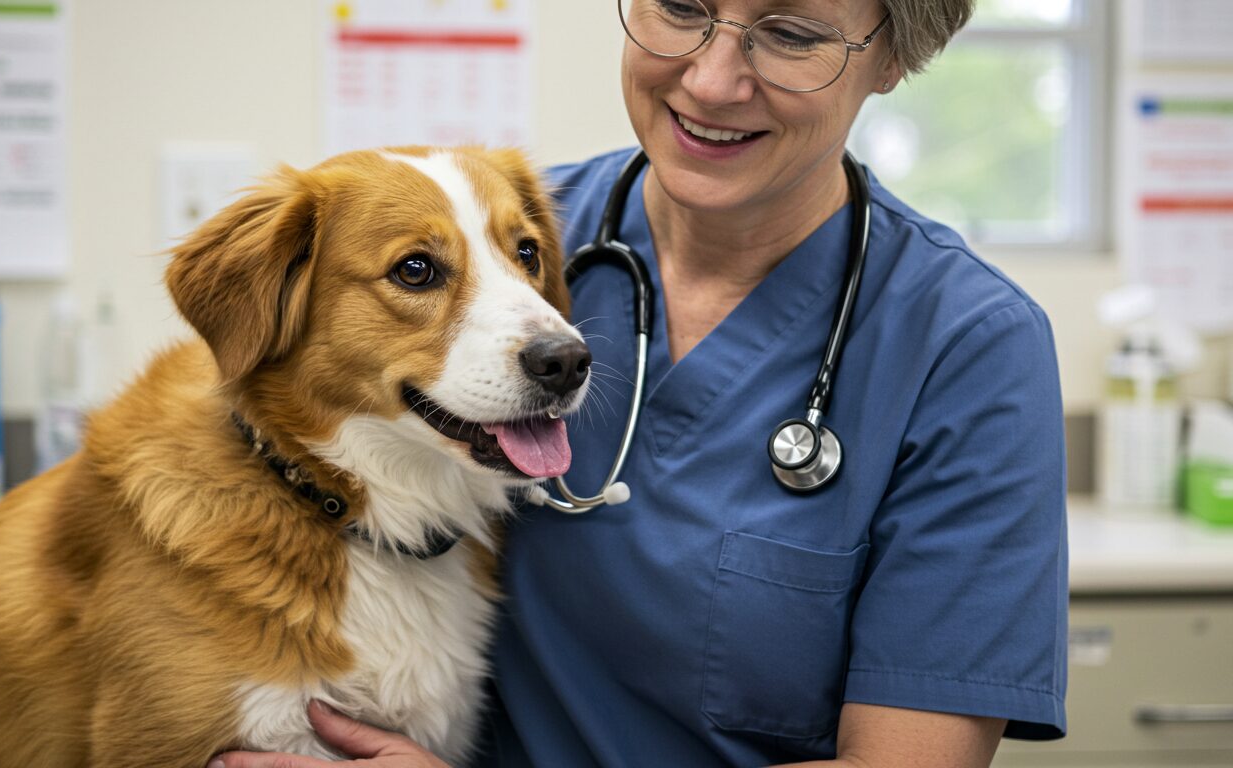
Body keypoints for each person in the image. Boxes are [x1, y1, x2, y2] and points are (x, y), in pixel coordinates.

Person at [213, 0, 1067, 766]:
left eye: (792, 34)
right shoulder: (521, 231)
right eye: (682, 5)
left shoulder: (967, 348)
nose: (711, 78)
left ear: (894, 58)